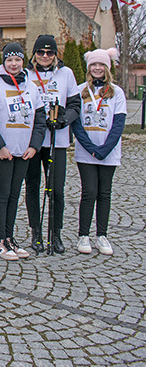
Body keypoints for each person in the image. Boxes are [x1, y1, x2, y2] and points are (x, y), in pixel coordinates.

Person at [0, 43, 46, 260]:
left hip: (24, 150)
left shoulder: (32, 86)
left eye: (17, 60)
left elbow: (40, 120)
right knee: (4, 193)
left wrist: (35, 145)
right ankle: (0, 240)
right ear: (4, 62)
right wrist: (0, 147)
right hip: (3, 151)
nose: (14, 64)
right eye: (9, 60)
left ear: (22, 61)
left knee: (15, 195)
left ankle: (10, 238)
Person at [24, 35, 81, 254]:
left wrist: (65, 119)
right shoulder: (27, 74)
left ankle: (55, 233)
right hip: (33, 140)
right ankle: (36, 232)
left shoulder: (66, 74)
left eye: (49, 53)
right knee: (32, 187)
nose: (45, 56)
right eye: (40, 52)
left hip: (57, 139)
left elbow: (75, 104)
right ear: (34, 54)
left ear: (55, 54)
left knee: (56, 189)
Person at [71, 48, 124, 256]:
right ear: (88, 67)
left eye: (101, 65)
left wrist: (104, 149)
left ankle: (102, 234)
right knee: (89, 192)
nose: (97, 68)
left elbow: (118, 124)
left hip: (109, 152)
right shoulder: (80, 89)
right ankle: (83, 235)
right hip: (86, 152)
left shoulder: (116, 92)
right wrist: (91, 148)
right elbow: (76, 124)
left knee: (104, 194)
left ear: (107, 68)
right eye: (93, 65)